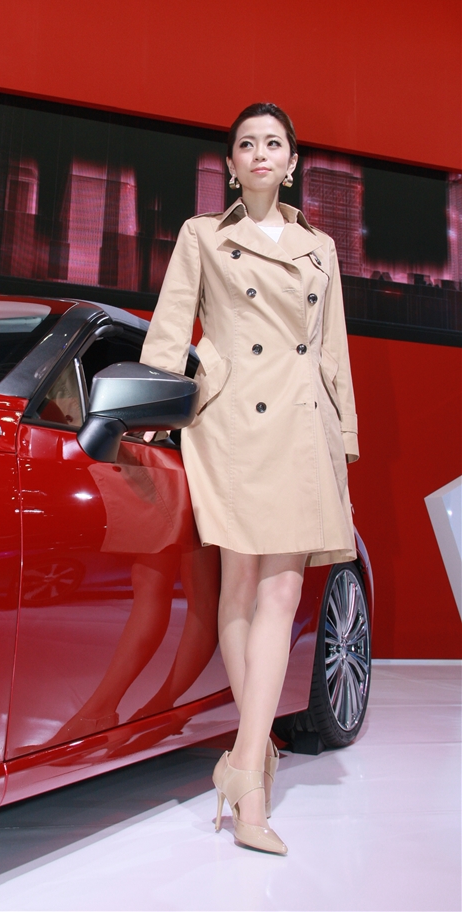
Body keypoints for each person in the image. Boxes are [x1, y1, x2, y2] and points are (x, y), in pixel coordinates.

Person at [140, 102, 359, 855]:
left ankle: (243, 768)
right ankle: (254, 769)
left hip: (300, 422)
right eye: (246, 144)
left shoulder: (320, 248)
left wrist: (343, 437)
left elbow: (332, 348)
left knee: (282, 590)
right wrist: (150, 407)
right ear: (231, 164)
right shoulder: (202, 235)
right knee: (238, 585)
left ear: (291, 162)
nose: (260, 153)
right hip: (233, 421)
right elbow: (171, 328)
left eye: (273, 143)